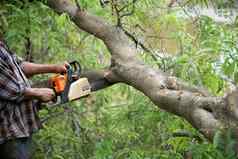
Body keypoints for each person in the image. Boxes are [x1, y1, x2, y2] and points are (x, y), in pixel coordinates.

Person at [0, 34, 67, 159]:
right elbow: (13, 90)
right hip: (8, 129)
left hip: (21, 124)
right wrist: (38, 93)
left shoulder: (1, 45)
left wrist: (53, 67)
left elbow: (20, 66)